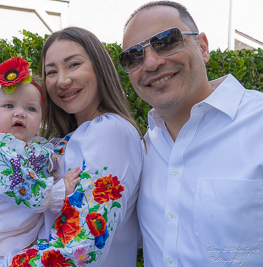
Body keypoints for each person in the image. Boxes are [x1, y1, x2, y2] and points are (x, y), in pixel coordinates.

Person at [0, 27, 144, 267]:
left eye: (74, 64)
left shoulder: (110, 131)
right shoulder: (59, 142)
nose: (63, 80)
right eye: (51, 71)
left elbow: (81, 246)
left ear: (99, 68)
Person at [120, 1, 263, 266]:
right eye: (133, 56)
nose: (150, 62)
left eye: (166, 41)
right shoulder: (141, 151)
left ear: (203, 47)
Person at [0, 57, 81, 266]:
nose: (19, 113)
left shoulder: (37, 147)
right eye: (9, 105)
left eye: (31, 109)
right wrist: (57, 192)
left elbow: (47, 163)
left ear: (41, 117)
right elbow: (20, 185)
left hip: (16, 248)